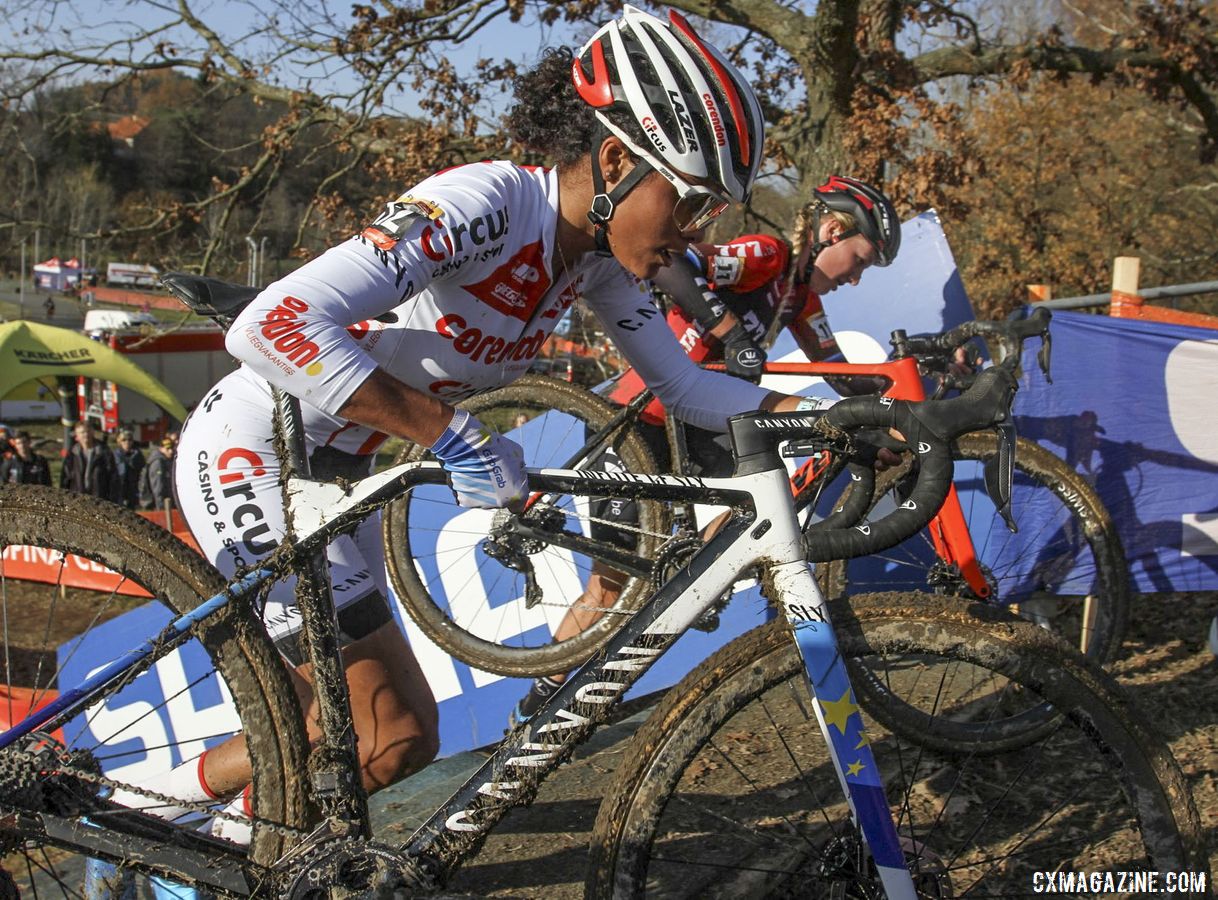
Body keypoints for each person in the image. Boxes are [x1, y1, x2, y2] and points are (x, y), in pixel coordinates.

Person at [149, 5, 815, 842]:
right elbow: (270, 326)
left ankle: (171, 817)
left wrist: (830, 415)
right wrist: (449, 432)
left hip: (336, 482)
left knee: (393, 742)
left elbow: (684, 386)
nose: (699, 230)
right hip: (251, 452)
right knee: (360, 728)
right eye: (690, 200)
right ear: (615, 159)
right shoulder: (486, 203)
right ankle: (166, 838)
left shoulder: (595, 264)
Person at [510, 176, 903, 726]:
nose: (857, 278)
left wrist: (897, 402)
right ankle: (539, 700)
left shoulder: (800, 296)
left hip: (701, 428)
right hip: (644, 419)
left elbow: (841, 373)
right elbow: (676, 263)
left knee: (758, 511)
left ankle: (697, 582)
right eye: (860, 260)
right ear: (832, 229)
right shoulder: (767, 254)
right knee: (612, 583)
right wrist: (728, 330)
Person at [60, 421, 119, 499]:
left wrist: (112, 498)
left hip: (100, 498)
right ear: (77, 435)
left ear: (93, 432)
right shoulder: (72, 454)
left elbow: (113, 477)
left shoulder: (104, 452)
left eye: (88, 431)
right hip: (77, 499)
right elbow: (65, 478)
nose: (86, 435)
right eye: (82, 432)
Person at [111, 429, 146, 509]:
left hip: (134, 489)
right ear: (119, 441)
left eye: (129, 440)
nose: (127, 442)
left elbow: (143, 472)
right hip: (120, 489)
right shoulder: (115, 455)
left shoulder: (138, 455)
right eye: (124, 440)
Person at [139, 437, 176, 511]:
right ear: (161, 448)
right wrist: (161, 509)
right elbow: (158, 488)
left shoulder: (167, 460)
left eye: (172, 448)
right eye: (167, 449)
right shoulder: (158, 463)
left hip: (167, 504)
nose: (171, 451)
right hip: (160, 506)